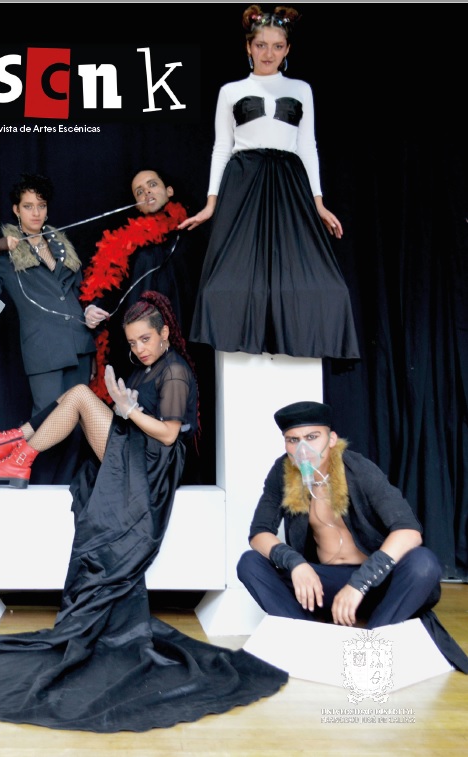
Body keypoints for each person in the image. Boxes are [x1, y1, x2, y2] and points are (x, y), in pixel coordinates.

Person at [0, 292, 289, 732]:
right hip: (137, 454)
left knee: (83, 397)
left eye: (146, 339)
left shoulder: (175, 369)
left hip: (154, 468)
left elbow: (167, 435)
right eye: (133, 342)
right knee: (79, 396)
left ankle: (15, 451)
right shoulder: (147, 368)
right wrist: (125, 409)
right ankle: (14, 447)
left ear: (164, 333)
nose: (140, 348)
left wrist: (128, 411)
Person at [181, 6, 360, 359]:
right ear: (248, 47)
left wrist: (319, 202)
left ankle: (293, 340)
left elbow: (307, 146)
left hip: (289, 183)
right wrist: (211, 203)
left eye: (277, 46)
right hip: (243, 182)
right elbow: (222, 147)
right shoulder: (231, 91)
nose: (268, 53)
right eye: (261, 45)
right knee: (228, 283)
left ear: (287, 49)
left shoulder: (301, 89)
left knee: (318, 284)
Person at [236, 400, 468, 672]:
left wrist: (360, 583)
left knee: (423, 563)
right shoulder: (282, 472)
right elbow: (259, 533)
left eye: (312, 437)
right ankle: (307, 639)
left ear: (332, 439)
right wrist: (296, 564)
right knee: (250, 563)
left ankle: (371, 643)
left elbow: (408, 531)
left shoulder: (359, 470)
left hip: (376, 585)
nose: (303, 449)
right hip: (323, 587)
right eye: (293, 440)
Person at [0, 172, 96, 415]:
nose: (36, 213)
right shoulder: (7, 255)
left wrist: (91, 324)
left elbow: (81, 294)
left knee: (79, 420)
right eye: (28, 206)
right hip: (43, 349)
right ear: (16, 210)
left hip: (79, 343)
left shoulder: (63, 247)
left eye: (41, 206)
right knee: (47, 419)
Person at [81, 168, 204, 403]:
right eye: (139, 191)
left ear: (169, 191)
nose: (146, 192)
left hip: (184, 340)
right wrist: (92, 308)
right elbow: (107, 283)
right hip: (137, 348)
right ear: (137, 206)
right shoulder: (127, 243)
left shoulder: (193, 232)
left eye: (152, 185)